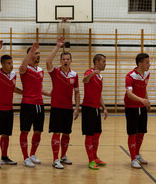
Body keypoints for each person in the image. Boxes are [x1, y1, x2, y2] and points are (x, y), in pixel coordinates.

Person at [46, 37, 80, 169]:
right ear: (60, 61)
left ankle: (63, 156)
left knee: (66, 133)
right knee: (56, 133)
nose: (65, 61)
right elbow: (48, 61)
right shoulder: (55, 72)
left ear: (71, 61)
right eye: (63, 59)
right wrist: (57, 46)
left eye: (68, 59)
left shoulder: (74, 75)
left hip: (68, 108)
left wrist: (76, 108)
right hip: (56, 107)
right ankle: (55, 159)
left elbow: (77, 92)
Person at [0, 40, 23, 168]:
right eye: (9, 63)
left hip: (9, 109)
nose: (11, 65)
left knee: (6, 135)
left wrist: (25, 93)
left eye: (12, 63)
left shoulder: (13, 75)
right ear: (2, 64)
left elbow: (13, 88)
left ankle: (4, 157)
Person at [19, 42, 50, 167]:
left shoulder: (41, 70)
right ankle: (25, 157)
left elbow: (39, 89)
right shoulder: (24, 69)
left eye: (39, 53)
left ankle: (32, 154)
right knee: (25, 131)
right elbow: (22, 66)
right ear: (30, 55)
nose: (38, 55)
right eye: (36, 53)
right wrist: (31, 51)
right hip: (28, 104)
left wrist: (50, 93)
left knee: (38, 131)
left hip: (39, 104)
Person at [124, 53, 150, 169]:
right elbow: (129, 94)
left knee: (141, 132)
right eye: (147, 62)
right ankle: (133, 158)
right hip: (131, 107)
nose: (149, 64)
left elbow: (144, 89)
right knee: (132, 133)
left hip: (142, 106)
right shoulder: (130, 76)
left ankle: (137, 154)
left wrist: (146, 101)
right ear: (140, 64)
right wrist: (142, 100)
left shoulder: (147, 74)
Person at [82, 54, 108, 170]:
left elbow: (99, 94)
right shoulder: (89, 72)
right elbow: (84, 80)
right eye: (103, 61)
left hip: (96, 108)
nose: (105, 63)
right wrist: (93, 73)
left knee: (97, 133)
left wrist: (104, 107)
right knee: (89, 134)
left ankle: (95, 157)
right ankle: (90, 160)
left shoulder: (100, 77)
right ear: (97, 62)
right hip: (88, 108)